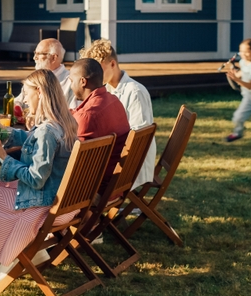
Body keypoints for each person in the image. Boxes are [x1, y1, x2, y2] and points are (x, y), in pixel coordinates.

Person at [0, 69, 80, 284]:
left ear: (41, 93)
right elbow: (31, 136)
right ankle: (30, 252)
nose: (24, 100)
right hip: (68, 202)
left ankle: (13, 256)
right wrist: (5, 133)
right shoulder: (65, 123)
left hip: (45, 204)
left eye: (27, 94)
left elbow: (36, 179)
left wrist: (4, 158)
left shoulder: (46, 131)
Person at [79, 39, 157, 188]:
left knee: (84, 177)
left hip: (131, 165)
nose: (96, 75)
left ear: (113, 64)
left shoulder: (134, 92)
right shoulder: (105, 90)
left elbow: (139, 137)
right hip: (116, 157)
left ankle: (89, 208)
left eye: (100, 70)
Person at [68, 58, 130, 192]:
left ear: (83, 82)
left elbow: (74, 163)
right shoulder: (113, 101)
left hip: (92, 189)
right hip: (116, 182)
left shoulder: (88, 115)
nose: (71, 86)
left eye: (72, 81)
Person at [16, 38, 75, 117]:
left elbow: (72, 112)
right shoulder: (34, 78)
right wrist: (16, 107)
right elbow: (19, 100)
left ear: (54, 58)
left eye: (39, 54)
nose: (34, 57)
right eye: (34, 53)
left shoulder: (70, 81)